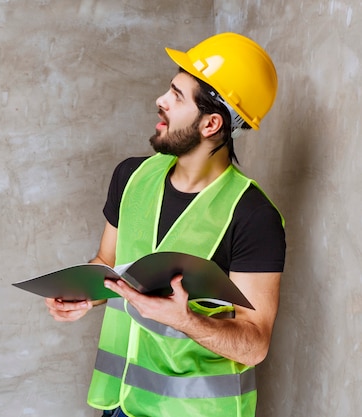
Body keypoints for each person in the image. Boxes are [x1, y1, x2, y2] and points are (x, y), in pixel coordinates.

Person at [45, 32, 286, 417]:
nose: (161, 100)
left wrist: (185, 319)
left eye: (176, 95)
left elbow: (255, 344)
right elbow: (106, 261)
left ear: (210, 124)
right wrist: (81, 293)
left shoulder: (253, 216)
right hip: (119, 402)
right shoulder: (131, 176)